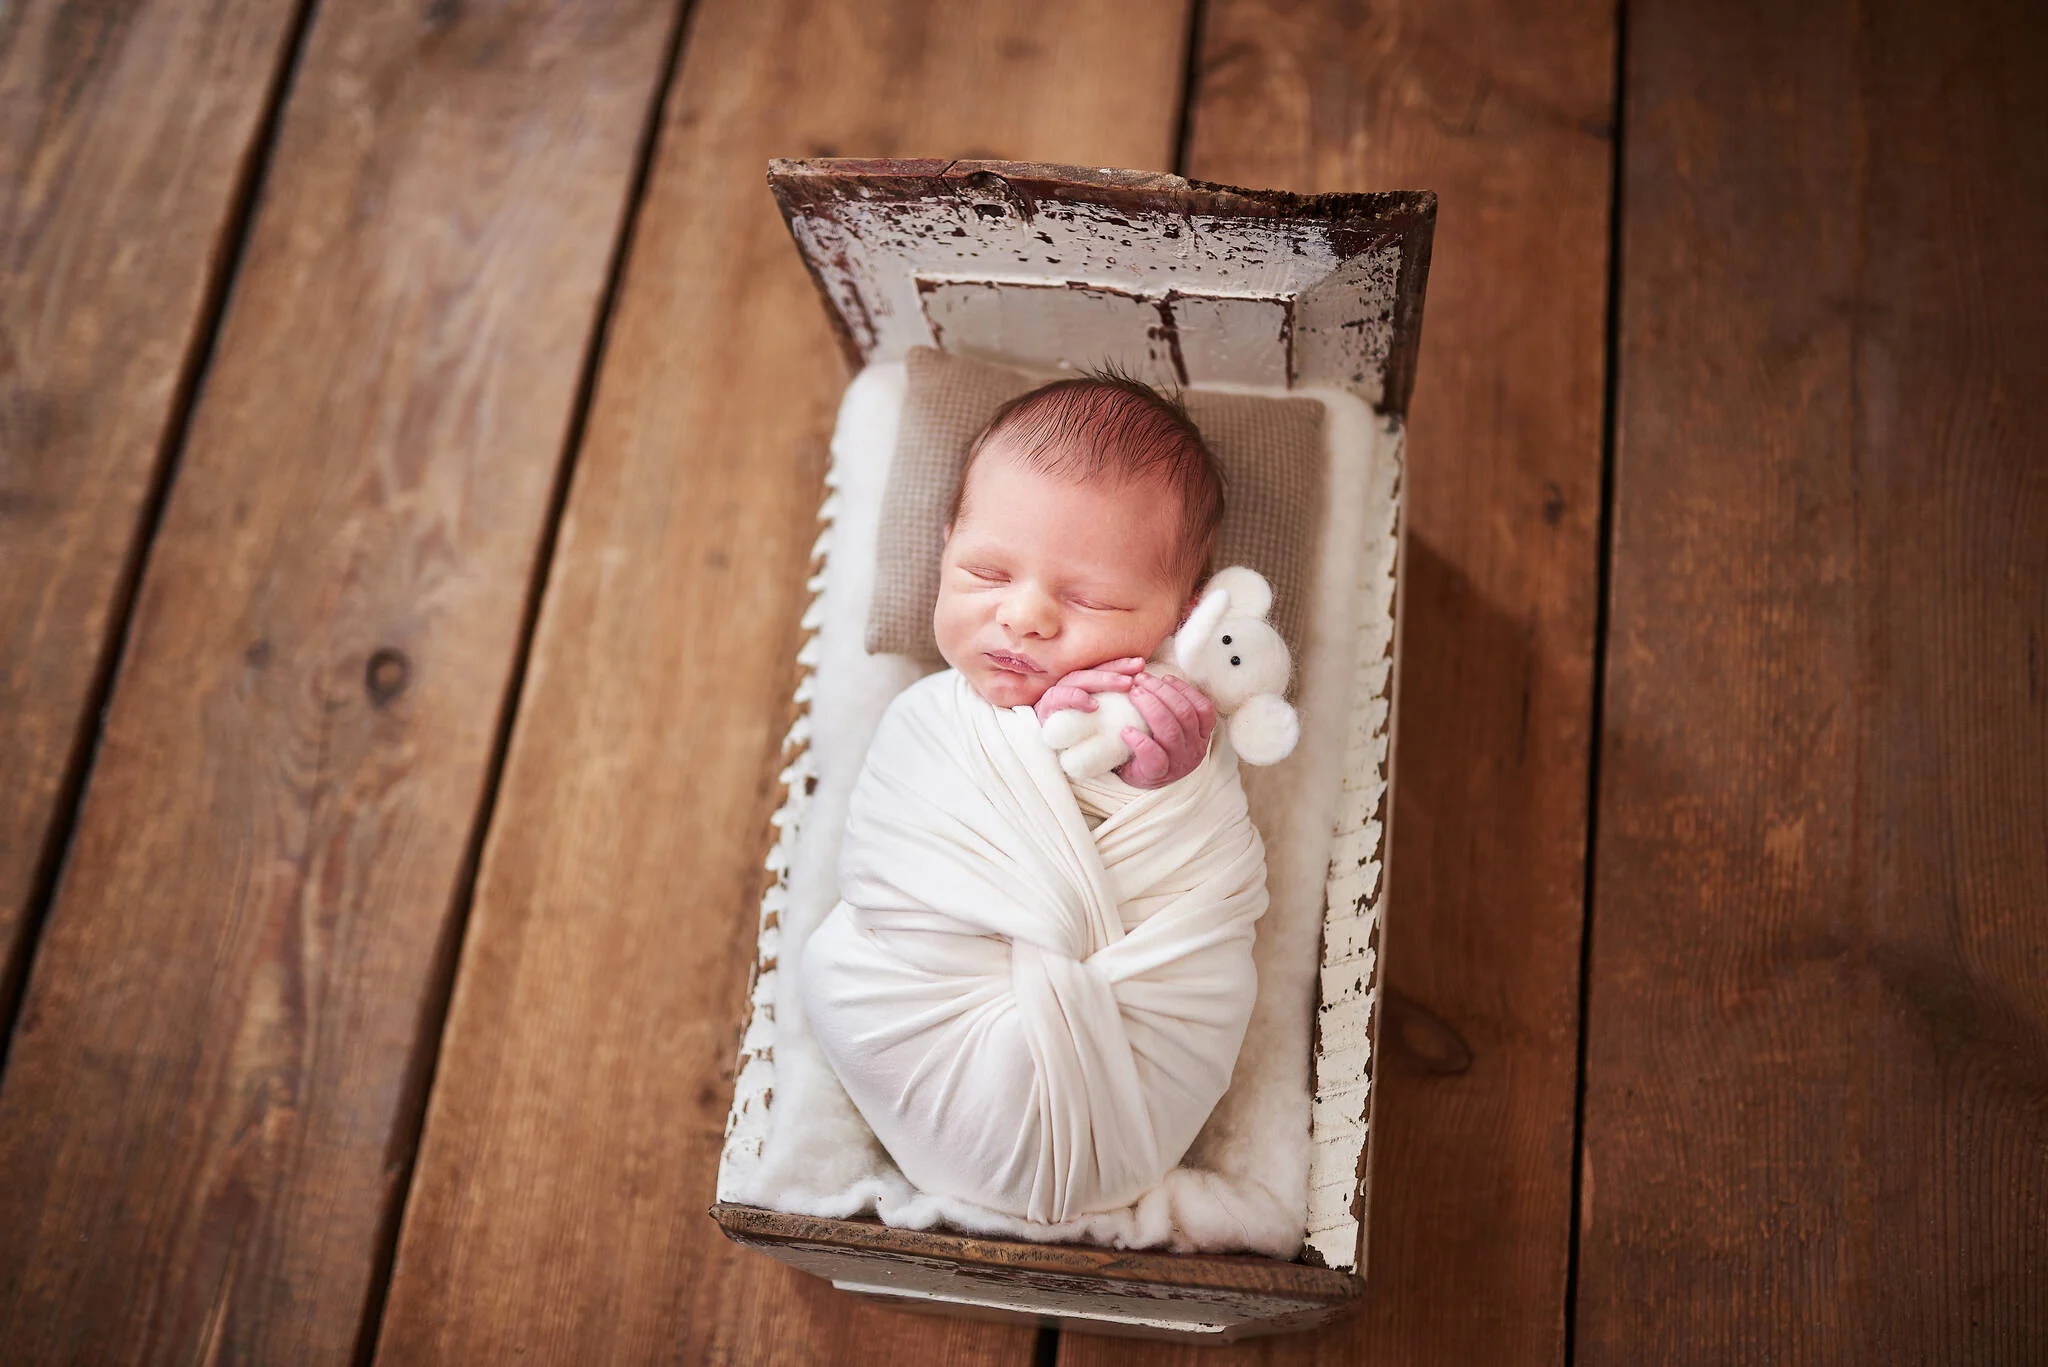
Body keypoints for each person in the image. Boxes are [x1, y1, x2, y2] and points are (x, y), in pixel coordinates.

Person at [934, 373, 1222, 787]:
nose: (1023, 618)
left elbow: (1195, 838)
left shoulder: (1171, 711)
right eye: (987, 575)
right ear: (946, 554)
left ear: (1188, 615)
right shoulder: (920, 718)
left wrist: (1163, 780)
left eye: (1091, 600)